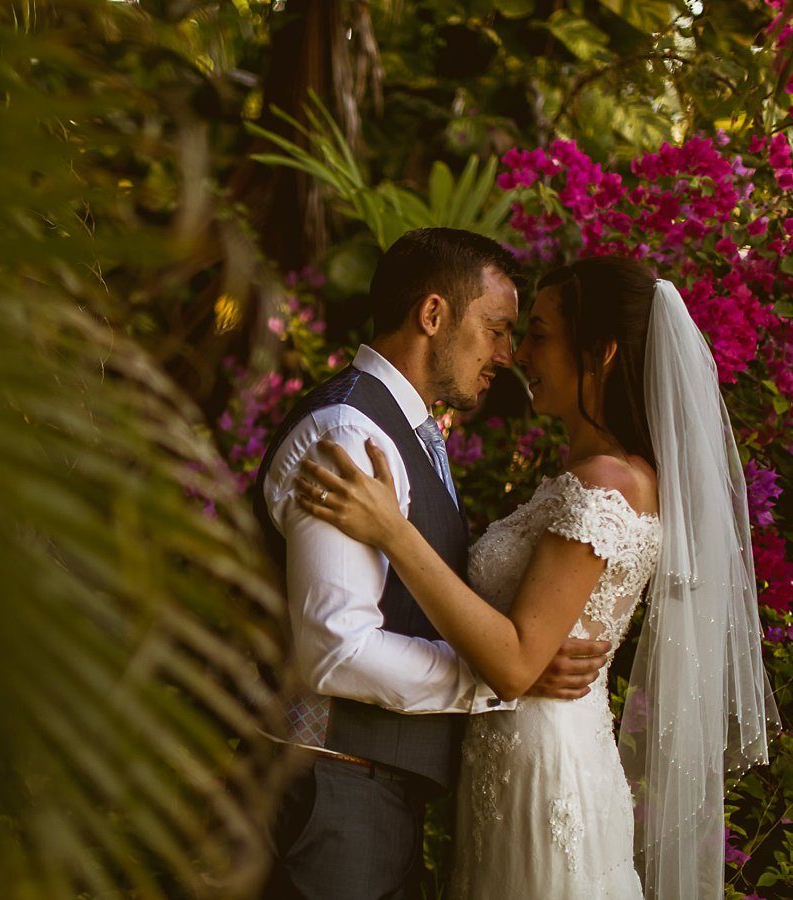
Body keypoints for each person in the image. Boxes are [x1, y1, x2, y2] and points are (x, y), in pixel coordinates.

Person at [296, 256, 777, 899]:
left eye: (541, 334)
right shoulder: (580, 478)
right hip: (513, 758)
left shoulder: (605, 486)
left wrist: (393, 532)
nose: (520, 353)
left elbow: (518, 662)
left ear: (600, 353)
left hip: (545, 766)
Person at [255, 228, 612, 900]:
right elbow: (335, 651)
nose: (508, 354)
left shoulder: (407, 431)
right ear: (432, 315)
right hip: (330, 796)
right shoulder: (349, 434)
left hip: (368, 799)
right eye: (498, 329)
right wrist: (501, 678)